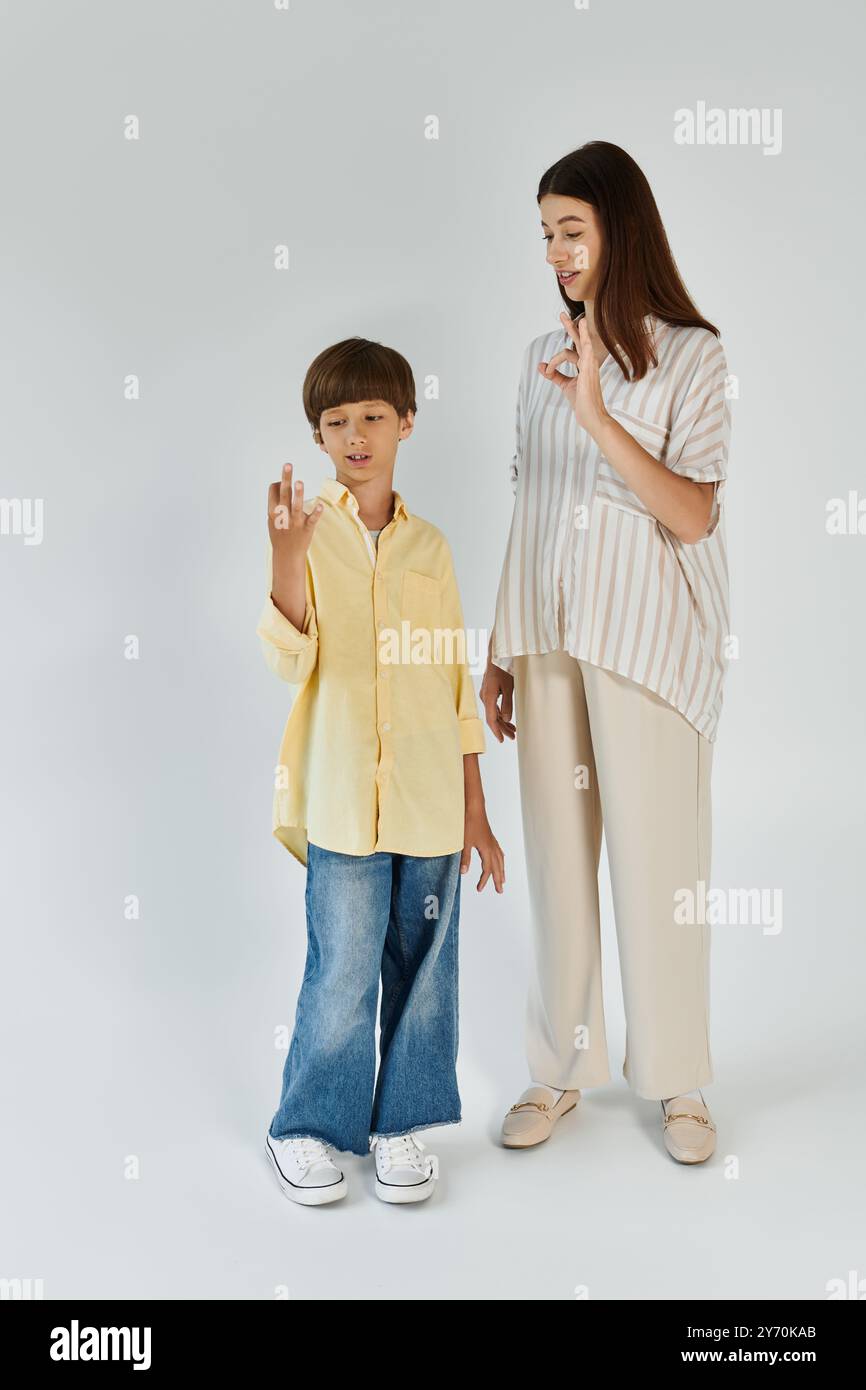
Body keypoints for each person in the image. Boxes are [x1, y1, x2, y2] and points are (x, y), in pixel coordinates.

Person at [481, 141, 732, 1164]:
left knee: (657, 864)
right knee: (554, 858)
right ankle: (557, 1070)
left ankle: (678, 1082)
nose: (554, 251)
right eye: (544, 233)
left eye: (570, 230)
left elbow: (692, 513)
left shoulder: (692, 355)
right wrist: (499, 646)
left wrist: (596, 411)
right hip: (544, 642)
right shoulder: (535, 360)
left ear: (617, 228)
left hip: (645, 646)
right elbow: (528, 503)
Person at [258, 337, 505, 1205]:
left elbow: (453, 684)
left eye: (372, 416)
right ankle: (306, 1127)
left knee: (426, 968)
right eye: (336, 421)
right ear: (319, 436)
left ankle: (399, 1124)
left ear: (406, 421)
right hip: (338, 801)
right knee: (341, 967)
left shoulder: (430, 549)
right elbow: (291, 658)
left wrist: (476, 807)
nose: (355, 433)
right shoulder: (309, 535)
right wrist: (288, 557)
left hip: (430, 801)